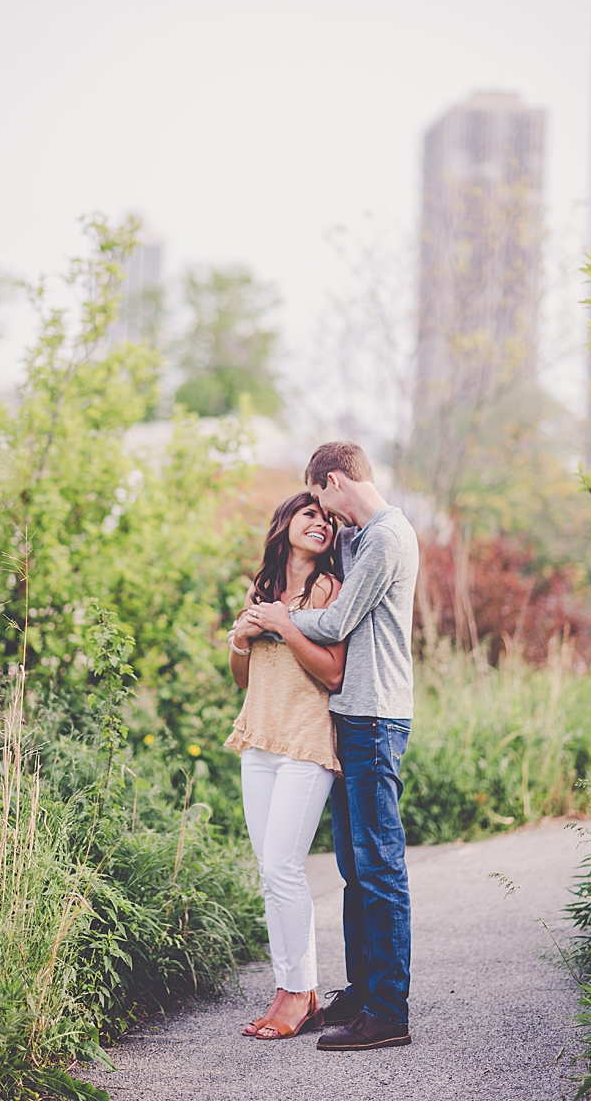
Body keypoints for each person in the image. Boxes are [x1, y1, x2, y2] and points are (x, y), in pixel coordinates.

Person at [244, 440, 418, 1052]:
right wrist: (267, 619)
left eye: (323, 499)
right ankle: (364, 991)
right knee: (354, 867)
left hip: (375, 715)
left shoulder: (388, 537)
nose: (324, 515)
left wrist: (280, 621)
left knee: (379, 867)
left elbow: (338, 623)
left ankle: (388, 1012)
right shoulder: (360, 537)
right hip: (353, 720)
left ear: (338, 481)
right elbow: (312, 553)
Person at [224, 492, 347, 1041]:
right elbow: (242, 676)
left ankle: (298, 994)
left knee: (282, 866)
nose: (321, 523)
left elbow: (334, 674)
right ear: (286, 525)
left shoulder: (329, 590)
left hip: (306, 740)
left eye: (328, 519)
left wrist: (286, 624)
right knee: (270, 873)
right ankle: (294, 989)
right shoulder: (262, 590)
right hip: (261, 738)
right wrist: (242, 639)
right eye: (310, 514)